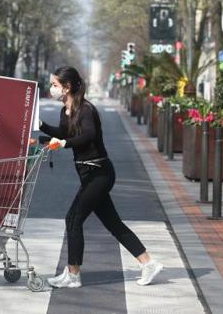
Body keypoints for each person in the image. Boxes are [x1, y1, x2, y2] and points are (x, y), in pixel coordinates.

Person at [40, 66, 163, 289]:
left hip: (99, 173)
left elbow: (88, 135)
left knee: (73, 218)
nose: (52, 89)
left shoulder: (86, 109)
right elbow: (62, 133)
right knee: (113, 223)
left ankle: (73, 274)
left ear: (67, 87)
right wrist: (41, 129)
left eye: (55, 85)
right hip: (88, 175)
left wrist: (65, 143)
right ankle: (149, 262)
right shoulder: (64, 111)